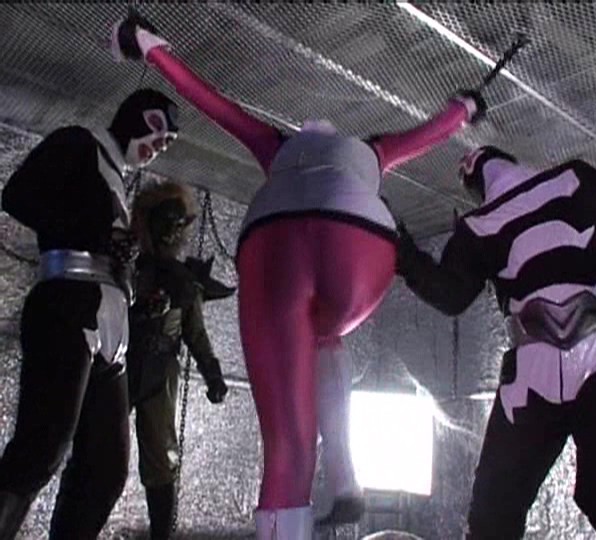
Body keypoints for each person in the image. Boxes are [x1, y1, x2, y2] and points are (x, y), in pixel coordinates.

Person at [110, 12, 486, 539]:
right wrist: (466, 107)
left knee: (287, 443)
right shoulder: (370, 150)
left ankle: (308, 501)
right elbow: (430, 133)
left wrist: (147, 44)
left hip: (274, 242)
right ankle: (345, 476)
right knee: (324, 334)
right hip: (360, 243)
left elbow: (212, 102)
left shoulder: (277, 146)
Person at [395, 146, 596, 539]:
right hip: (576, 360)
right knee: (587, 492)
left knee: (582, 494)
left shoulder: (488, 221)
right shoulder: (571, 181)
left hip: (579, 358)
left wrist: (402, 253)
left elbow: (451, 293)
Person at [0, 89, 178, 539]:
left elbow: (102, 245)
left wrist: (135, 289)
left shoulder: (117, 177)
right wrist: (94, 232)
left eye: (168, 141)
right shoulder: (79, 143)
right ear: (136, 117)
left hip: (108, 325)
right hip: (68, 308)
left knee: (105, 470)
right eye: (158, 130)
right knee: (41, 450)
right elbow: (17, 196)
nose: (160, 145)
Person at [126, 180, 230, 540]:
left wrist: (213, 374)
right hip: (121, 362)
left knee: (161, 458)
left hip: (160, 370)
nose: (171, 231)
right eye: (164, 222)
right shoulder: (129, 265)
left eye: (176, 224)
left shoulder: (184, 281)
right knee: (99, 443)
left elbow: (195, 333)